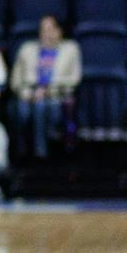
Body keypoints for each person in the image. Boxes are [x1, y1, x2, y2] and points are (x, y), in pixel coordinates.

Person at [11, 15, 83, 160]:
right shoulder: (27, 49)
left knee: (40, 106)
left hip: (57, 96)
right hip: (28, 95)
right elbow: (15, 80)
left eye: (50, 29)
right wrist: (27, 93)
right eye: (43, 30)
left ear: (59, 31)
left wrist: (47, 90)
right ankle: (21, 154)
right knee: (21, 110)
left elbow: (74, 79)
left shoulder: (71, 48)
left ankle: (40, 155)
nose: (46, 33)